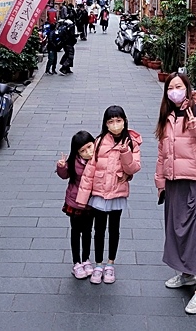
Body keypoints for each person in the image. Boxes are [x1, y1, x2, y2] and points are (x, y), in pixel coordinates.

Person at [155, 72, 196, 315]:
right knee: (178, 230)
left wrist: (195, 126)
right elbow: (163, 152)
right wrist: (160, 182)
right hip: (175, 182)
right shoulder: (168, 115)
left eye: (178, 86)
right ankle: (186, 274)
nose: (174, 90)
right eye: (170, 87)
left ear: (186, 87)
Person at [76, 106, 141, 285]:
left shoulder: (132, 142)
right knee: (99, 229)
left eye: (118, 120)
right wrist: (82, 200)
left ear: (124, 121)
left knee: (114, 229)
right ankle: (98, 264)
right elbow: (89, 172)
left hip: (117, 193)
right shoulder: (98, 142)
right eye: (111, 121)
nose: (115, 124)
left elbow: (133, 168)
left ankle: (110, 264)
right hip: (98, 193)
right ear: (105, 124)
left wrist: (126, 152)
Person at [56, 131, 96, 279]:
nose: (87, 152)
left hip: (90, 204)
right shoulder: (74, 161)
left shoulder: (98, 160)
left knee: (87, 232)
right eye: (82, 151)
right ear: (77, 152)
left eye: (89, 147)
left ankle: (86, 259)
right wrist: (61, 166)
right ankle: (76, 262)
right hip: (75, 202)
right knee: (75, 231)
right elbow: (64, 175)